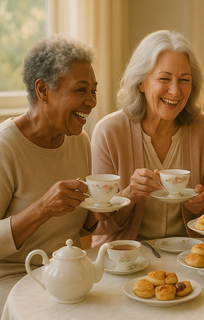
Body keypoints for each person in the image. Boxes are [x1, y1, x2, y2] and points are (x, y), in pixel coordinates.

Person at [0, 34, 109, 312]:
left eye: (94, 91)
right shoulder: (6, 147)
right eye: (81, 90)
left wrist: (96, 213)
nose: (92, 102)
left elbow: (80, 228)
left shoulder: (79, 140)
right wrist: (42, 209)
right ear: (43, 90)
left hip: (66, 274)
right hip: (13, 280)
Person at [91, 30, 204, 246]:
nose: (175, 91)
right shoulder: (109, 132)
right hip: (124, 256)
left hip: (189, 255)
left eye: (184, 80)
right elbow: (99, 225)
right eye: (164, 78)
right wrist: (129, 195)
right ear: (141, 83)